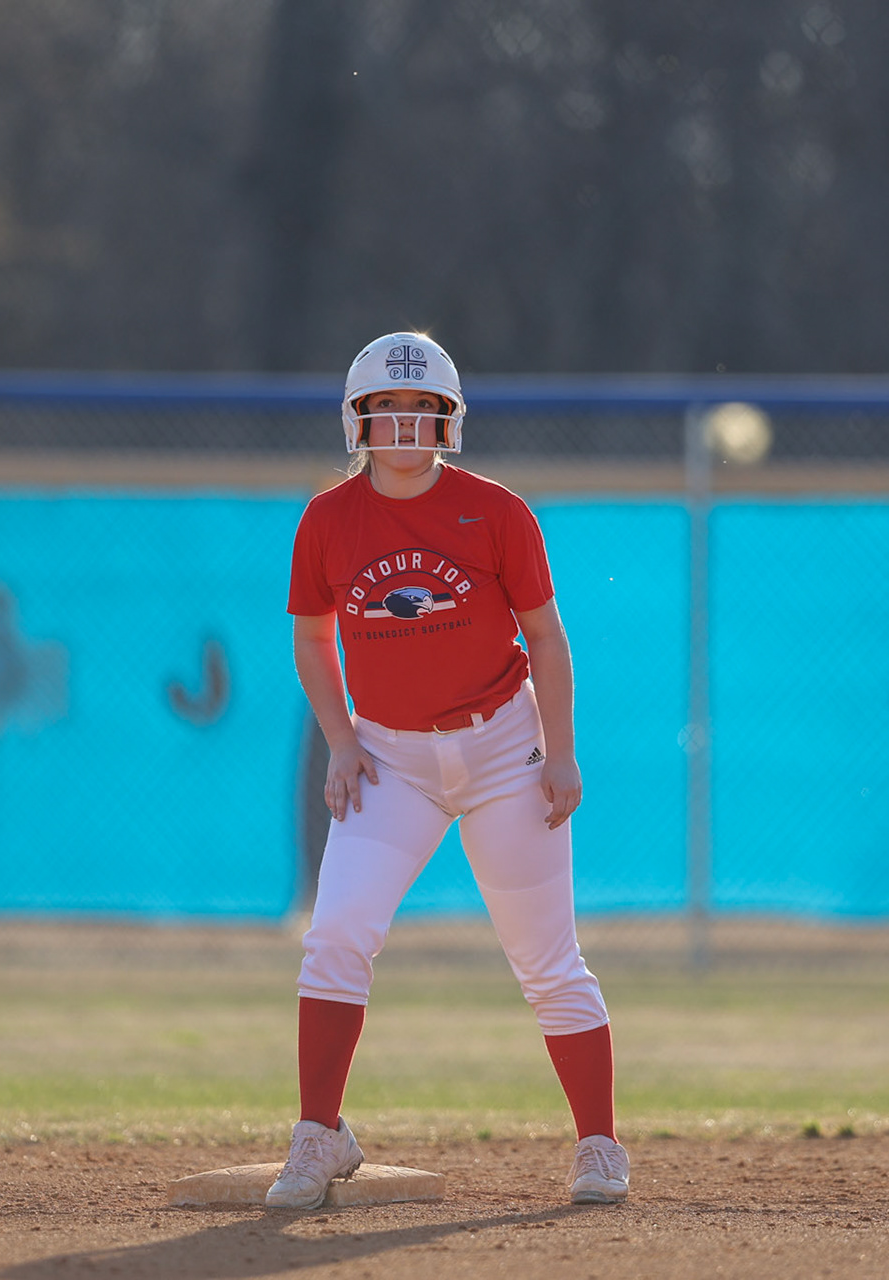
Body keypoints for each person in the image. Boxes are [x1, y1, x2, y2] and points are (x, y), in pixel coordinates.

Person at [267, 332, 627, 1210]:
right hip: (390, 753)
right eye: (385, 411)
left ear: (447, 421)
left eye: (418, 411)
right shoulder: (328, 519)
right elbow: (312, 637)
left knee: (547, 960)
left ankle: (599, 1146)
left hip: (505, 743)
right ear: (358, 420)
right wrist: (342, 738)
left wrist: (563, 748)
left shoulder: (497, 511)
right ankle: (320, 1134)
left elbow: (544, 634)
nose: (401, 427)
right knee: (337, 931)